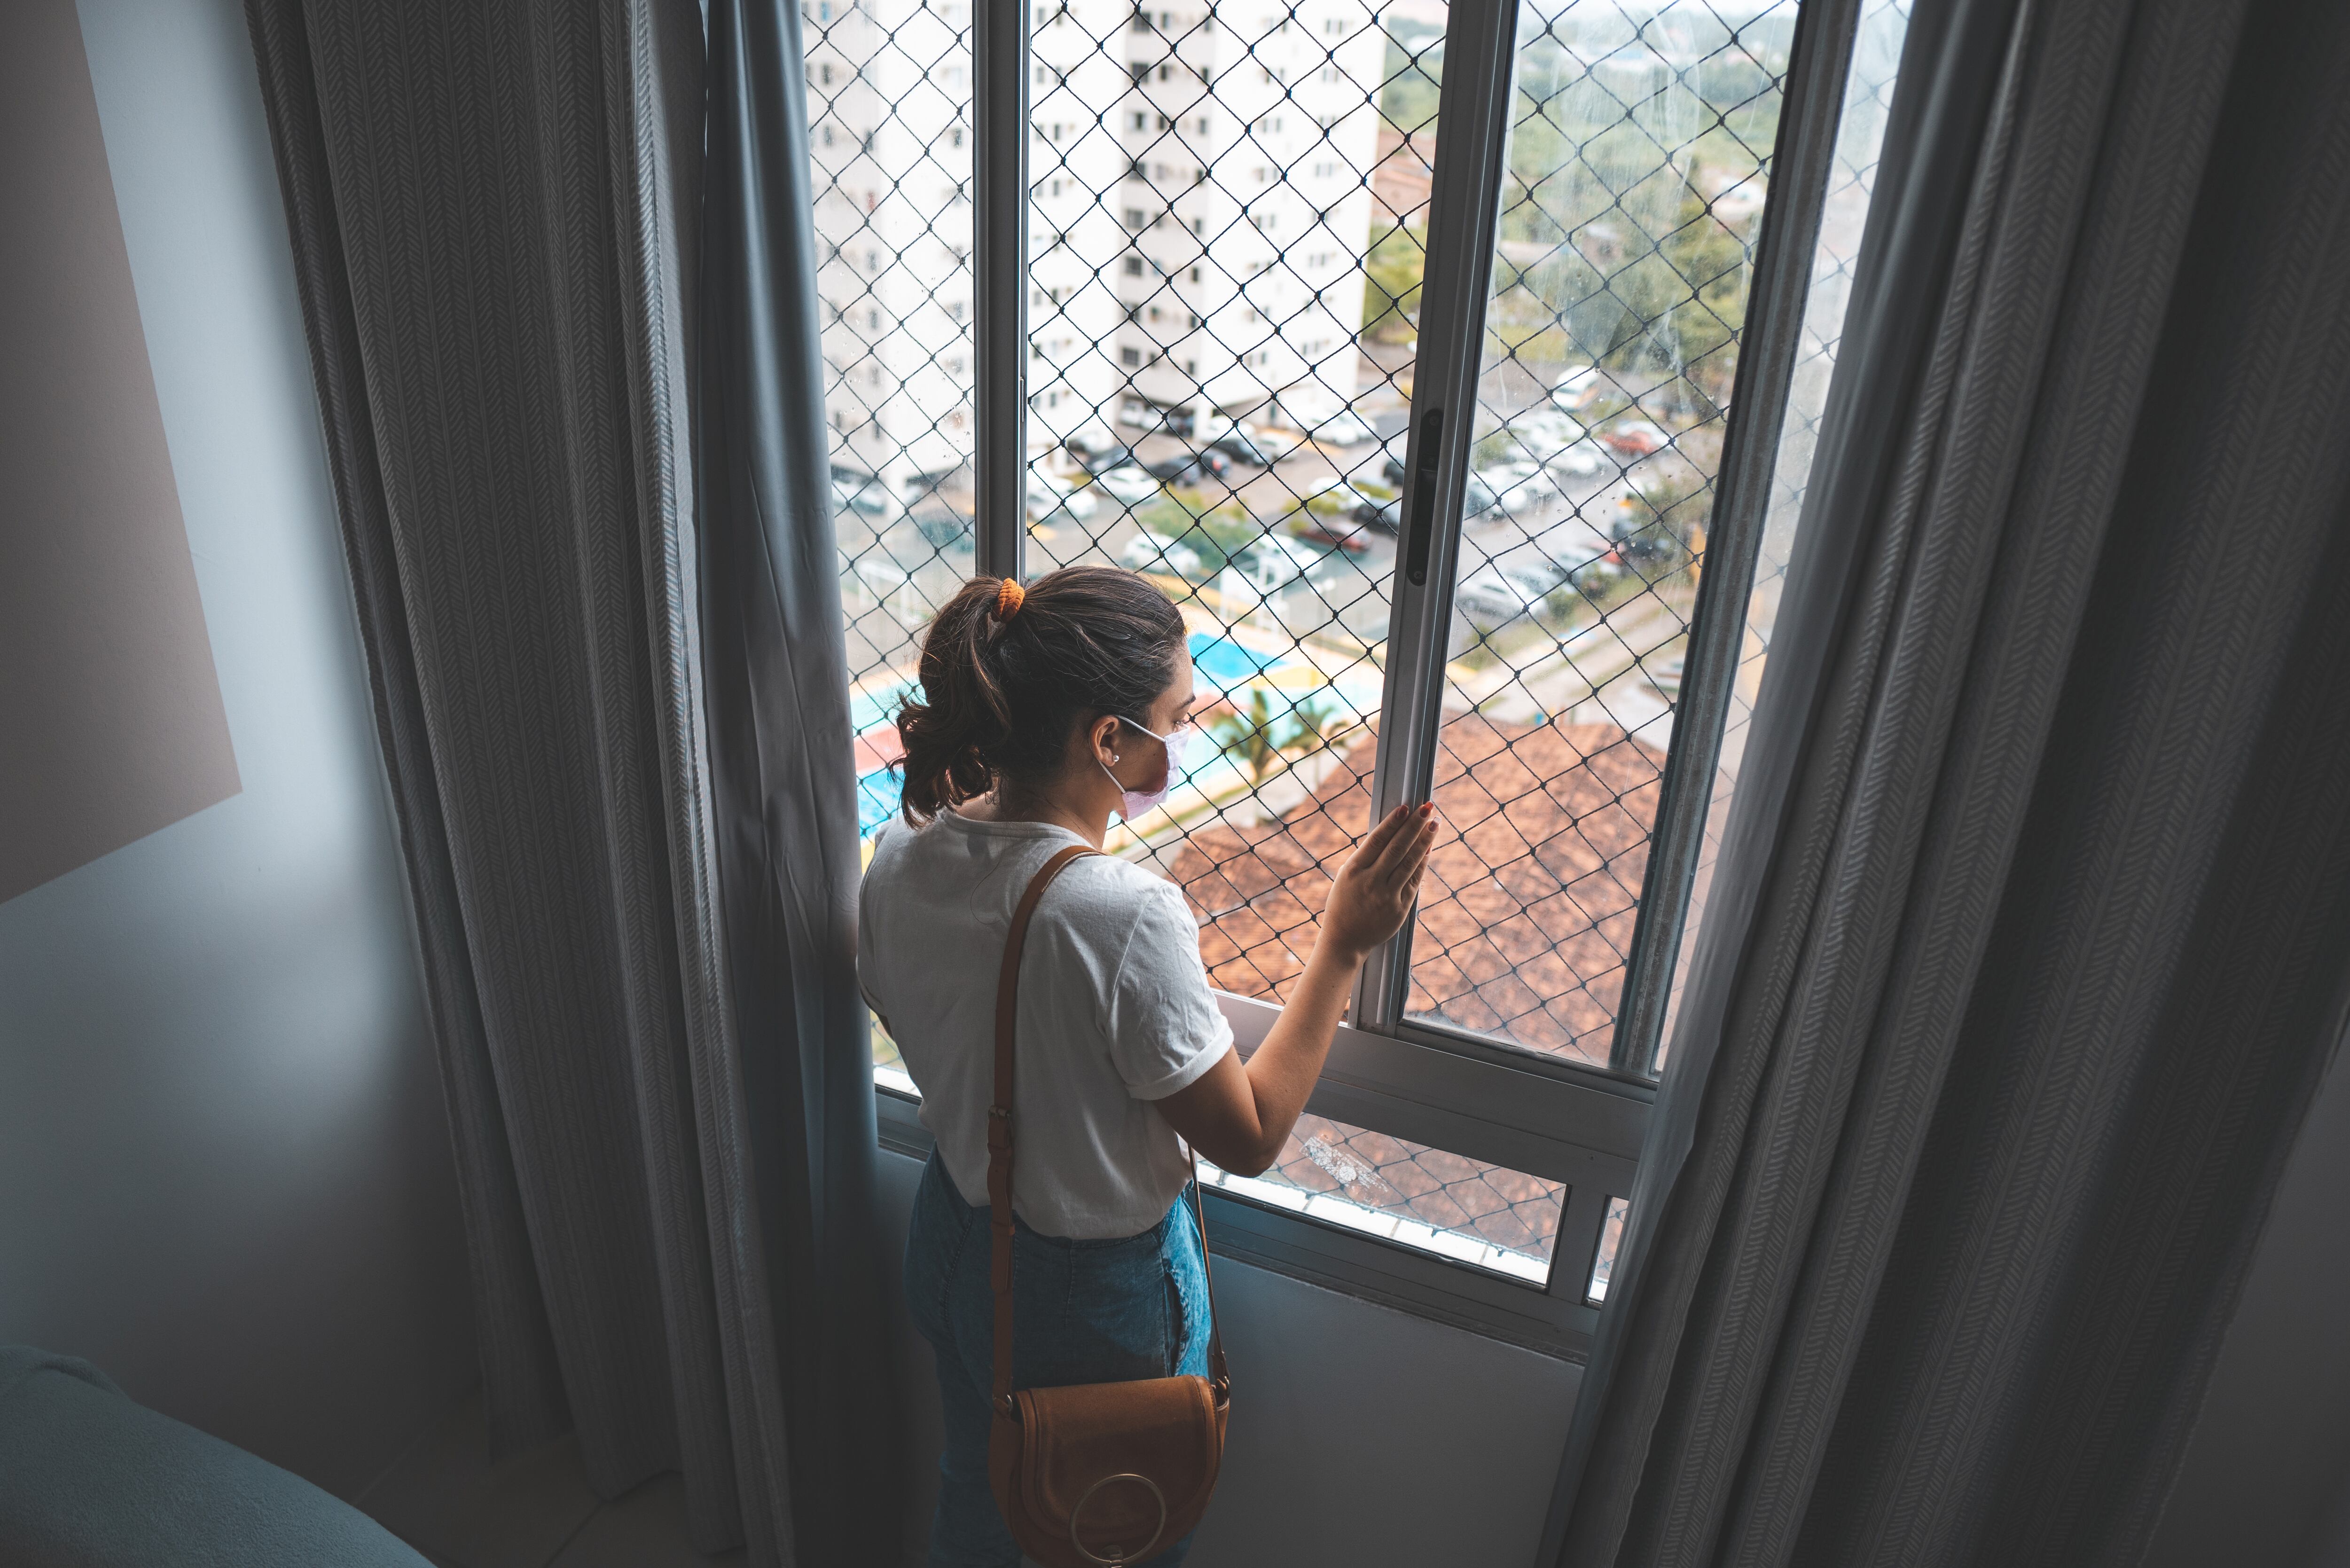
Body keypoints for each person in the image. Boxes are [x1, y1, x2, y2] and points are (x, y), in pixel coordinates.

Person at [859, 565, 1436, 1567]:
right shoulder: (1119, 915)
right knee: (1110, 1528)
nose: (1187, 733)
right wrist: (1343, 944)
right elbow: (1247, 1136)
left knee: (986, 1488)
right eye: (1175, 715)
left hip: (953, 1231)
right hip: (1083, 1299)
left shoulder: (901, 852)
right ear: (1107, 739)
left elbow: (913, 1002)